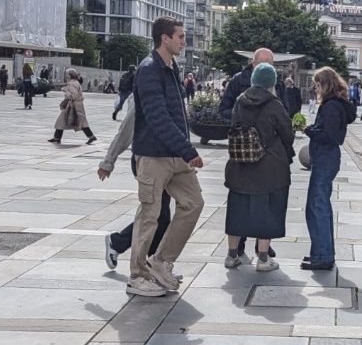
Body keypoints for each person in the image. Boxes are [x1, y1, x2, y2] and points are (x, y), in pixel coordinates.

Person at [128, 17, 204, 297]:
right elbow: (157, 117)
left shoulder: (171, 68)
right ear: (165, 38)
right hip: (153, 155)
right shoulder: (149, 70)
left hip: (175, 154)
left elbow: (176, 115)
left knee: (193, 203)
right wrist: (188, 150)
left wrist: (182, 149)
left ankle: (160, 261)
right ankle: (137, 276)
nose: (184, 41)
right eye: (180, 37)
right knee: (149, 215)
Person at [223, 63, 294, 273]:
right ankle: (263, 259)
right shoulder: (275, 105)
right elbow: (287, 134)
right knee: (269, 210)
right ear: (272, 83)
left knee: (237, 209)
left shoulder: (240, 101)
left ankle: (231, 255)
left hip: (240, 165)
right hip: (269, 168)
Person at [98, 98, 172, 272]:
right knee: (156, 214)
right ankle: (128, 248)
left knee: (161, 215)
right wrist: (108, 161)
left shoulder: (168, 86)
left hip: (166, 160)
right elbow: (126, 130)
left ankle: (151, 261)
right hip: (148, 160)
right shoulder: (145, 89)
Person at [303, 66, 355, 271]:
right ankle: (321, 252)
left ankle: (323, 256)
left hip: (326, 158)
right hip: (326, 158)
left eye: (317, 85)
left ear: (326, 84)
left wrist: (311, 131)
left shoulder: (332, 106)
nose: (316, 89)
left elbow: (331, 136)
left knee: (318, 206)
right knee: (317, 206)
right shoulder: (336, 103)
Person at [219, 48, 285, 121]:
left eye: (269, 65)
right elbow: (224, 110)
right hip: (245, 129)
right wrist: (243, 115)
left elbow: (286, 111)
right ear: (253, 63)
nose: (265, 68)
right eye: (261, 64)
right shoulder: (238, 80)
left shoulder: (278, 82)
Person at [49, 69, 96, 144]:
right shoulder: (76, 82)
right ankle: (91, 136)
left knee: (62, 120)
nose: (66, 75)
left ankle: (57, 138)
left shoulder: (72, 84)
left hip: (72, 105)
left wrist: (65, 91)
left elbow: (74, 96)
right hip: (78, 105)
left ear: (71, 75)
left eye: (67, 74)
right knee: (81, 121)